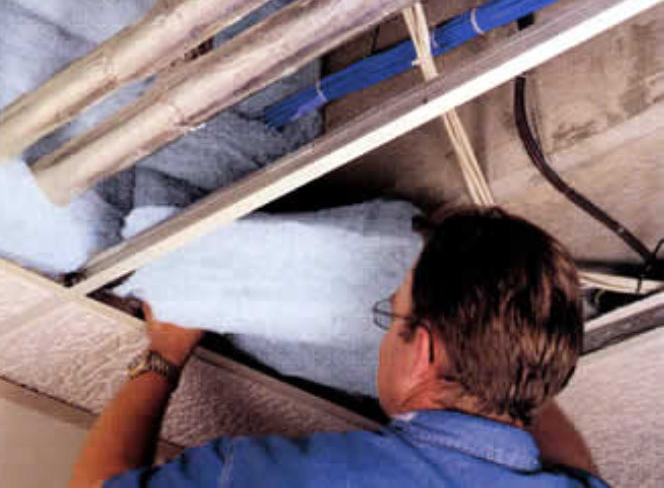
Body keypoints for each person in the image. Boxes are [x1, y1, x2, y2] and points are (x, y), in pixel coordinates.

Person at [71, 208, 606, 487]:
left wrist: (164, 352)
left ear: (423, 351)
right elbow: (578, 470)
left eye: (390, 315)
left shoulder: (299, 477)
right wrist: (508, 365)